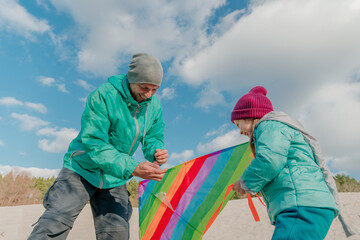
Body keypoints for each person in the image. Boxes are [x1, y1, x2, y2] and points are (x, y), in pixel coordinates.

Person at [28, 53, 169, 240]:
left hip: (115, 177)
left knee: (117, 234)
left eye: (155, 89)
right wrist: (133, 167)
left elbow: (153, 136)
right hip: (81, 169)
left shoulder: (154, 106)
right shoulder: (103, 95)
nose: (148, 94)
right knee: (54, 224)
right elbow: (95, 143)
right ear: (132, 79)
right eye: (144, 87)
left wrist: (155, 151)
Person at [230, 86, 355, 239]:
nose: (239, 131)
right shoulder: (279, 128)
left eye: (237, 124)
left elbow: (270, 160)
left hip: (301, 205)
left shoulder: (268, 126)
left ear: (250, 114)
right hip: (311, 205)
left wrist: (246, 182)